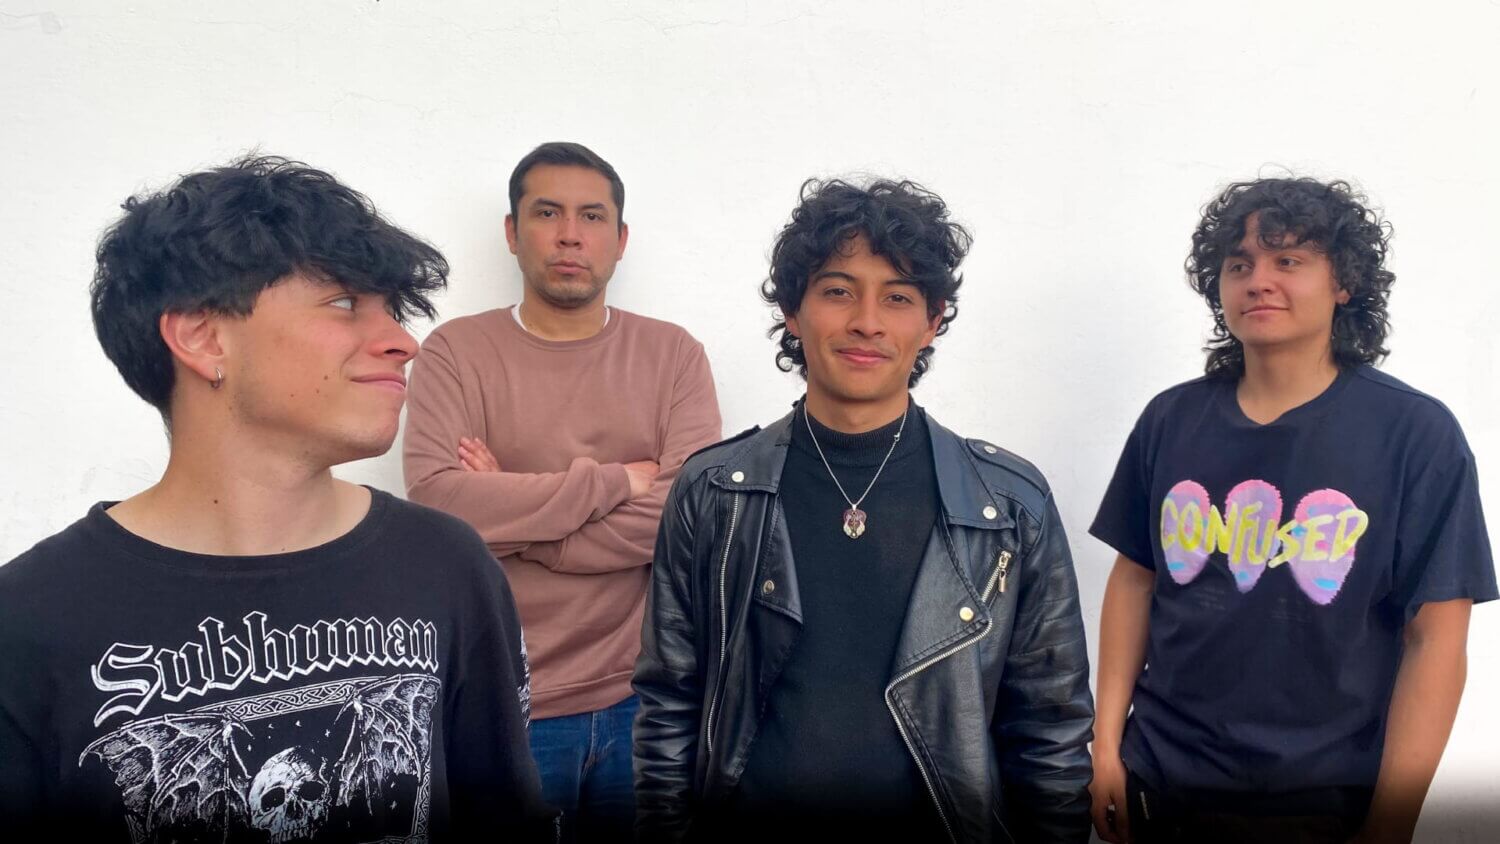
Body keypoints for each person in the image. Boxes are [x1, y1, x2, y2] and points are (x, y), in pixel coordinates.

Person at [0, 155, 555, 841]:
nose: (403, 343)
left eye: (393, 311)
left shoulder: (446, 566)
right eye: (345, 303)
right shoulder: (28, 621)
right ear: (203, 337)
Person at [633, 177, 1094, 843]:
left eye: (898, 297)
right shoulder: (713, 492)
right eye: (838, 291)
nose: (867, 322)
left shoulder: (1009, 505)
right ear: (793, 311)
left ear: (932, 321)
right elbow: (669, 704)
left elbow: (1050, 729)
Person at [1088, 177, 1498, 843]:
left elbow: (1437, 637)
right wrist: (1106, 745)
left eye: (1288, 260)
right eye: (1239, 265)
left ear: (1344, 283)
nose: (1259, 281)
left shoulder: (1414, 434)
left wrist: (1392, 822)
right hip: (1161, 782)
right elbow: (1136, 579)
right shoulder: (1170, 420)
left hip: (1326, 803)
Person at [403, 141, 721, 842]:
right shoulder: (455, 354)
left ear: (620, 239)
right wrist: (615, 481)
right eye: (547, 213)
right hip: (504, 706)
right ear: (512, 233)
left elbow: (690, 520)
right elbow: (440, 505)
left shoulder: (673, 355)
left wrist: (518, 520)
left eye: (592, 216)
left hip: (644, 700)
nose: (570, 234)